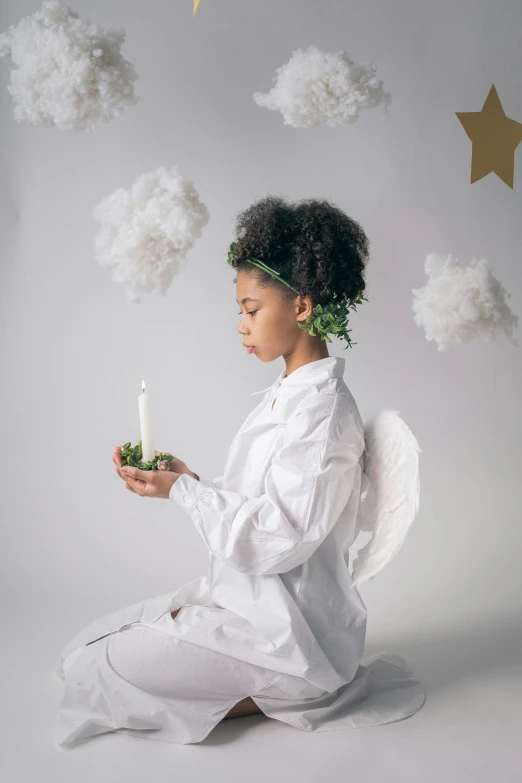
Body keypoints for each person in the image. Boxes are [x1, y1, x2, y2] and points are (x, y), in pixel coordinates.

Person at [55, 196, 426, 747]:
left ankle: (293, 687)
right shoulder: (289, 395)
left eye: (251, 310)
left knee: (98, 671)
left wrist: (185, 492)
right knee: (80, 653)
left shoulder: (322, 415)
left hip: (291, 632)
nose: (241, 325)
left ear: (301, 308)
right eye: (240, 311)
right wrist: (184, 481)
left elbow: (277, 540)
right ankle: (235, 678)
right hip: (249, 601)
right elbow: (260, 506)